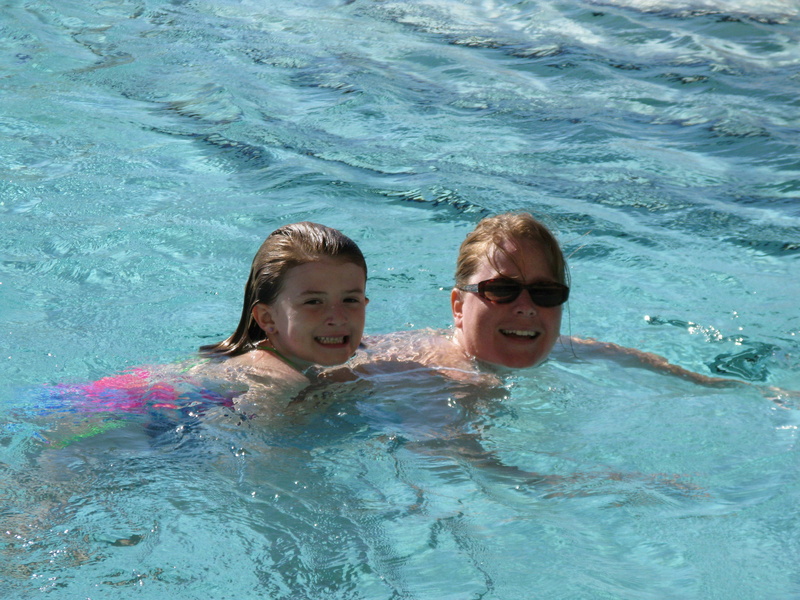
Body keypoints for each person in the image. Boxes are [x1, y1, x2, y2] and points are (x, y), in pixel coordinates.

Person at [352, 212, 753, 388]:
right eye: (502, 289)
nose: (526, 308)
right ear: (458, 306)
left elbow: (624, 357)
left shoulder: (560, 349)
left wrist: (728, 387)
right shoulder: (436, 378)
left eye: (545, 293)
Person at [196, 221, 369, 403]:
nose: (338, 318)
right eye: (313, 302)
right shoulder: (275, 380)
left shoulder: (289, 361)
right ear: (267, 318)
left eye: (350, 300)